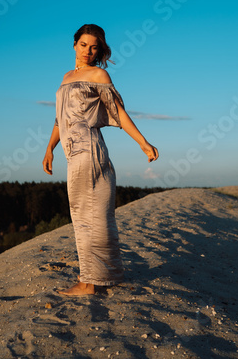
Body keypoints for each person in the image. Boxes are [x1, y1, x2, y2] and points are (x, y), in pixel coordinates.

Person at [42, 24, 159, 296]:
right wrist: (49, 148)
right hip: (72, 153)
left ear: (100, 50)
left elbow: (118, 111)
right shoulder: (65, 77)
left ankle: (90, 282)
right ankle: (96, 277)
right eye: (83, 45)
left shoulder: (99, 74)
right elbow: (61, 119)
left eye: (94, 47)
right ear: (74, 44)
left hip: (89, 151)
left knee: (91, 216)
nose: (88, 51)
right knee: (81, 214)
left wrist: (143, 142)